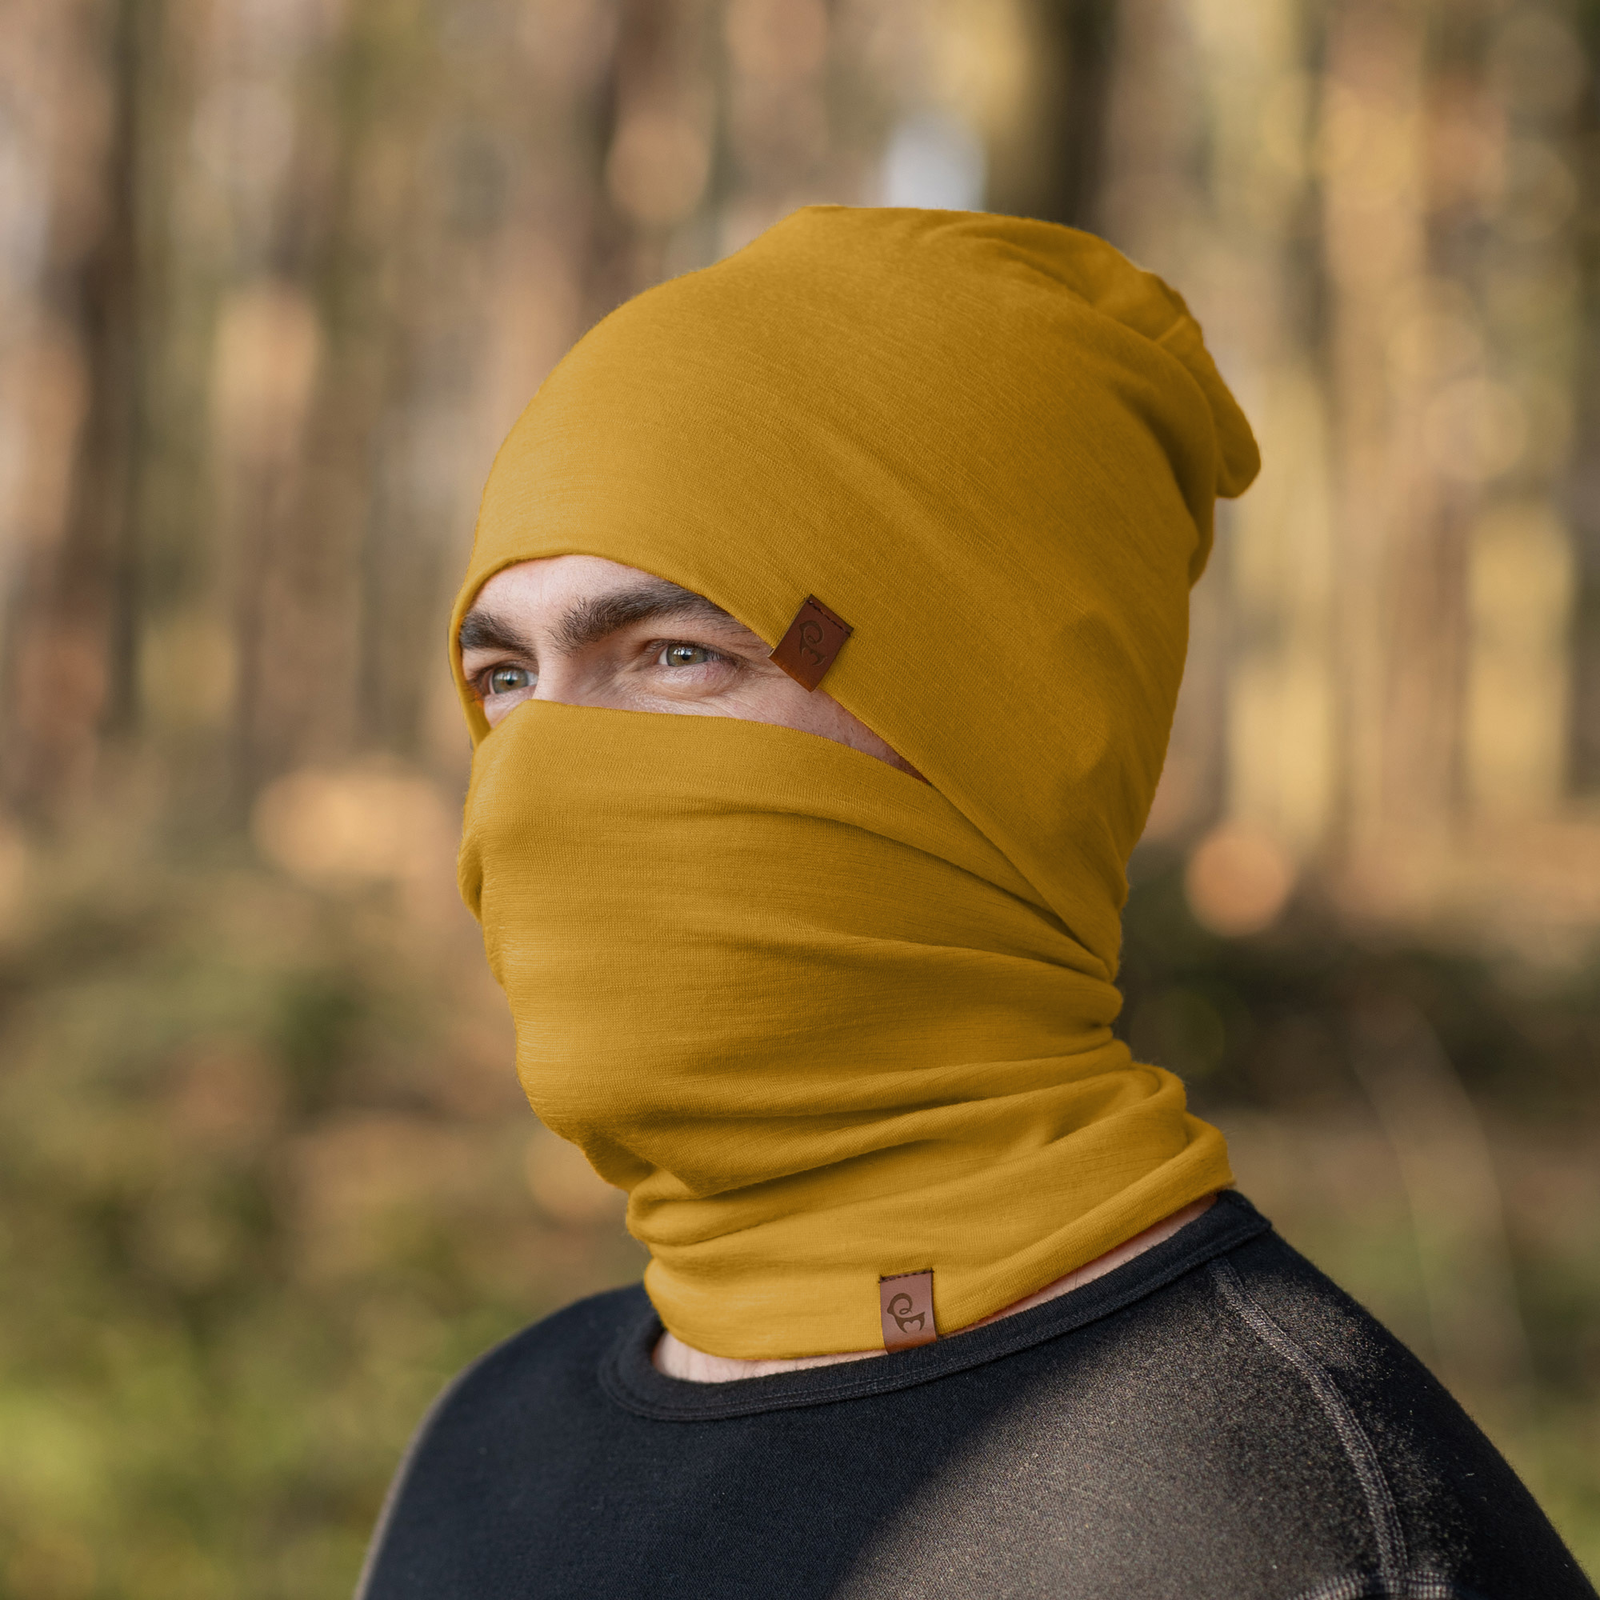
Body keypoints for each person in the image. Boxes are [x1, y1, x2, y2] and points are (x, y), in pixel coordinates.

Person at [356, 207, 1595, 1600]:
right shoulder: (487, 1443)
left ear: (996, 734)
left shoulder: (1294, 1534)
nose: (533, 783)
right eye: (507, 680)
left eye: (677, 654)